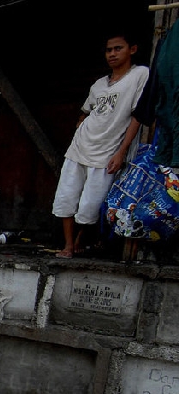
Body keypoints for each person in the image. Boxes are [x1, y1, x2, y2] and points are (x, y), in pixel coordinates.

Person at [52, 32, 149, 258]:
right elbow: (86, 111)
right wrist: (81, 125)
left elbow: (138, 116)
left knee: (90, 205)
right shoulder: (99, 84)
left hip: (107, 150)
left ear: (132, 49)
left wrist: (121, 152)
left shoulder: (139, 75)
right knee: (66, 196)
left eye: (118, 48)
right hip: (80, 147)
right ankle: (68, 246)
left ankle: (78, 242)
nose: (112, 54)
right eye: (109, 50)